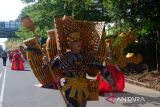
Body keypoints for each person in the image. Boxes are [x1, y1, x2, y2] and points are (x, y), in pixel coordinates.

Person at [48, 32, 114, 107]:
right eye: (76, 41)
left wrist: (109, 77)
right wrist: (46, 62)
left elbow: (100, 66)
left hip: (83, 89)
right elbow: (50, 66)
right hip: (70, 89)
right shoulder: (63, 57)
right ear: (69, 43)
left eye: (80, 40)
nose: (79, 42)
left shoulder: (86, 56)